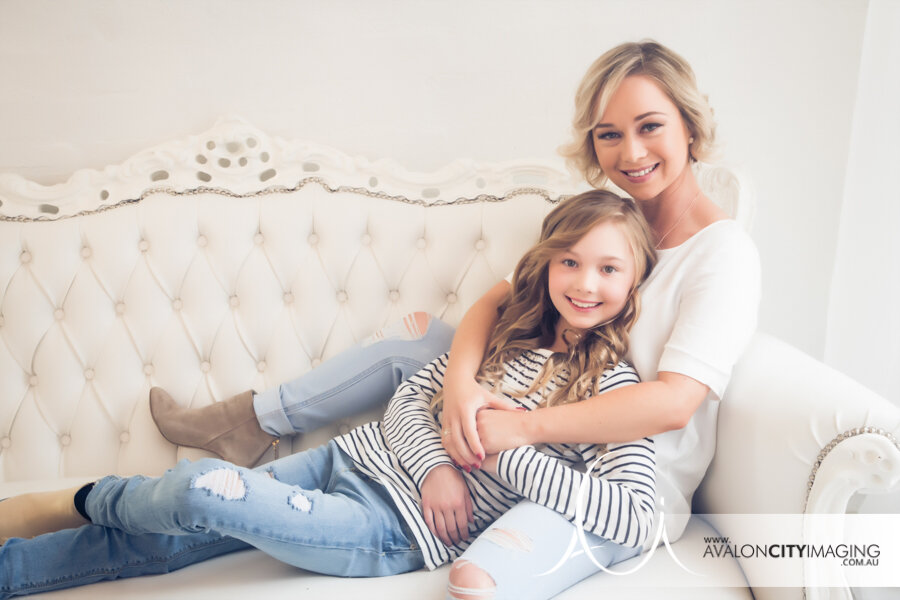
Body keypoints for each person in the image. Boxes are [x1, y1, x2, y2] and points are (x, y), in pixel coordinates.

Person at [141, 40, 760, 598]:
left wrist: (525, 430)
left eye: (651, 127)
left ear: (691, 130)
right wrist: (461, 387)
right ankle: (253, 419)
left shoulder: (722, 252)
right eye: (609, 134)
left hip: (612, 473)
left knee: (478, 572)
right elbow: (498, 299)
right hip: (543, 405)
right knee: (414, 337)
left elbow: (674, 404)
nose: (631, 152)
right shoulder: (612, 222)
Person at [0, 190, 659, 599]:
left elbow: (634, 518)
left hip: (389, 530)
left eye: (608, 268)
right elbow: (411, 398)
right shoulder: (510, 338)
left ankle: (85, 499)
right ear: (545, 263)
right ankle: (14, 569)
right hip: (350, 459)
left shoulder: (615, 391)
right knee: (174, 536)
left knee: (202, 489)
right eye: (569, 261)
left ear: (635, 283)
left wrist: (505, 451)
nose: (585, 283)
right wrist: (434, 464)